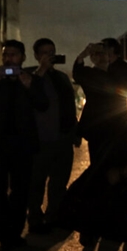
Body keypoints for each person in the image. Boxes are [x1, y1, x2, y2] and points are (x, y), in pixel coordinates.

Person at [0, 39, 49, 248]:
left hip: (22, 146)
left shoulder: (30, 79)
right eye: (6, 55)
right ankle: (2, 232)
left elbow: (43, 104)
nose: (9, 59)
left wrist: (29, 86)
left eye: (13, 55)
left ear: (23, 58)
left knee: (20, 191)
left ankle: (14, 232)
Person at [62, 115, 127, 243]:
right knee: (114, 231)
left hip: (116, 198)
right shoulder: (115, 147)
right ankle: (94, 229)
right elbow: (113, 178)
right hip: (92, 202)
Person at [26, 38, 77, 233]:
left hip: (63, 138)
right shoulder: (31, 76)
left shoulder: (62, 78)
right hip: (41, 139)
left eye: (52, 52)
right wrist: (41, 69)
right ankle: (35, 218)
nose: (49, 56)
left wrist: (74, 131)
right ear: (37, 56)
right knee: (36, 181)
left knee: (59, 181)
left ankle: (54, 215)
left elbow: (69, 106)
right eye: (45, 53)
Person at [73, 43, 124, 165]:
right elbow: (78, 73)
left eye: (103, 53)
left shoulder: (116, 73)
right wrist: (82, 54)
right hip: (97, 125)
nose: (100, 56)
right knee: (98, 164)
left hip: (115, 124)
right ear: (92, 57)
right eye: (96, 54)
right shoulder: (89, 74)